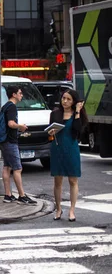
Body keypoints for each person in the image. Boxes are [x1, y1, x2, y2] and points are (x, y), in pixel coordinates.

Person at [48, 89, 87, 222]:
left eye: (68, 99)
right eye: (63, 98)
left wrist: (77, 112)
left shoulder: (78, 115)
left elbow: (78, 130)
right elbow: (49, 131)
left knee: (73, 180)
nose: (65, 101)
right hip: (57, 148)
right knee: (57, 180)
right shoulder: (55, 113)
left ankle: (72, 210)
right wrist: (51, 132)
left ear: (74, 102)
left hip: (71, 148)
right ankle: (58, 209)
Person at [0, 85, 37, 205]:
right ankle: (22, 195)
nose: (21, 95)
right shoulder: (11, 107)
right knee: (17, 168)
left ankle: (8, 195)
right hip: (10, 141)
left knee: (7, 166)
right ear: (14, 94)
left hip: (4, 140)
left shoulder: (5, 106)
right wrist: (20, 126)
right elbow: (11, 123)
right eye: (20, 93)